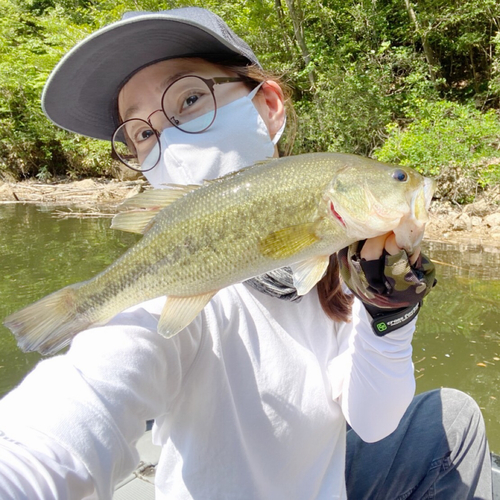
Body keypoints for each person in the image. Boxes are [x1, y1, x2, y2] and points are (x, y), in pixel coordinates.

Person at [0, 7, 492, 500]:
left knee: (455, 417)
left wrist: (389, 314)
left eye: (189, 98)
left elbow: (373, 421)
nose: (169, 138)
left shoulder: (338, 262)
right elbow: (72, 408)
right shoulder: (165, 307)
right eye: (142, 133)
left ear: (269, 105)